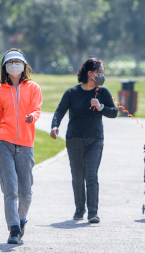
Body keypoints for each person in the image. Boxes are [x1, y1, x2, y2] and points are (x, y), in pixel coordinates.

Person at [50, 58, 118, 223]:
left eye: (102, 72)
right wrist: (54, 126)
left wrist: (101, 107)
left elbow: (114, 112)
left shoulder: (103, 92)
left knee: (91, 175)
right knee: (78, 176)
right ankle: (80, 208)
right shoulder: (72, 92)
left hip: (95, 140)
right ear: (90, 73)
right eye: (99, 72)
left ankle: (93, 212)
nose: (102, 75)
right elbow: (60, 111)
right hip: (74, 139)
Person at [0, 48, 42, 244]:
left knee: (26, 193)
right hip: (4, 144)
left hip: (26, 145)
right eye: (10, 63)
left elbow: (37, 108)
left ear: (24, 66)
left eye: (17, 62)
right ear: (5, 67)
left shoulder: (33, 88)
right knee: (10, 190)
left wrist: (32, 117)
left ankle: (21, 220)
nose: (14, 66)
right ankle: (13, 229)